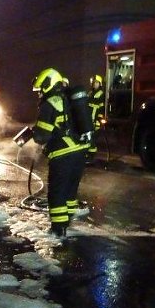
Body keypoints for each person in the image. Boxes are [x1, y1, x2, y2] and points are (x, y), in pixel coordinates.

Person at [29, 68, 94, 237]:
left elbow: (42, 136)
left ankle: (58, 229)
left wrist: (34, 133)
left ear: (48, 84)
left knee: (57, 192)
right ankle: (67, 222)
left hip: (62, 154)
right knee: (70, 192)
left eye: (41, 89)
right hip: (79, 152)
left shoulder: (50, 102)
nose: (40, 93)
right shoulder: (68, 97)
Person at [87, 74, 105, 158]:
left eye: (97, 82)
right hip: (89, 119)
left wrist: (99, 120)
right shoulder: (90, 93)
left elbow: (101, 108)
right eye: (94, 83)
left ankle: (91, 156)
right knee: (88, 138)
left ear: (100, 84)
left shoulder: (101, 94)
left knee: (92, 139)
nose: (95, 84)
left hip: (95, 121)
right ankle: (88, 154)